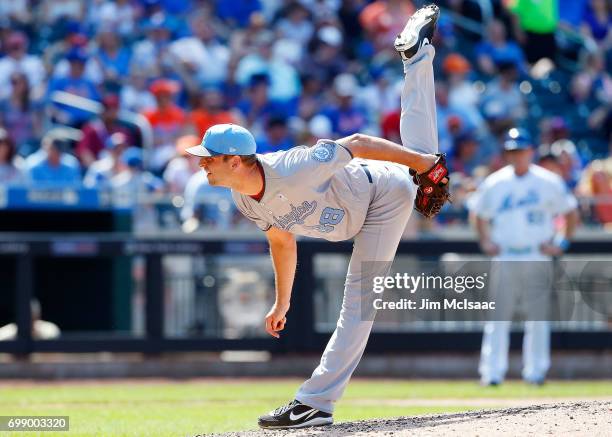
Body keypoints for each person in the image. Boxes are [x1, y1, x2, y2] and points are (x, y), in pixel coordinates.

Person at [186, 5, 444, 429]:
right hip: (359, 210)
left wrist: (421, 164)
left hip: (381, 195)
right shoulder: (244, 198)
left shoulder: (294, 165)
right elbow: (282, 241)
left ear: (235, 160)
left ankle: (316, 402)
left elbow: (358, 141)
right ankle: (418, 60)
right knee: (421, 159)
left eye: (208, 159)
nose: (201, 165)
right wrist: (281, 301)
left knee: (358, 304)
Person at [467, 128, 579, 386]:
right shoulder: (496, 181)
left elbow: (571, 212)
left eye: (521, 150)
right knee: (498, 317)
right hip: (506, 254)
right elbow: (478, 213)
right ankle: (492, 373)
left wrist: (561, 242)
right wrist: (485, 240)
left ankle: (536, 372)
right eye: (512, 151)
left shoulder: (547, 181)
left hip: (536, 254)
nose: (516, 155)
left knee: (538, 317)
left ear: (531, 151)